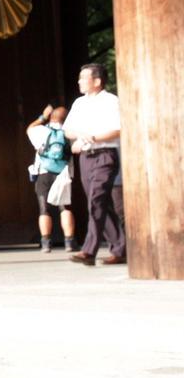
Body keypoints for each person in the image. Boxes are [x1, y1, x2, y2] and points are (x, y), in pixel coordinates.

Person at [63, 63, 125, 266]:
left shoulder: (110, 101)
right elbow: (67, 129)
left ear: (97, 81)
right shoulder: (79, 103)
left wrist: (93, 137)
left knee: (96, 200)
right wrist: (79, 137)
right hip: (85, 157)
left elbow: (117, 129)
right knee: (99, 203)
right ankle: (120, 248)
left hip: (105, 154)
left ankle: (89, 250)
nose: (80, 81)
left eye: (84, 78)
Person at [26, 105, 77, 252]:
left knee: (44, 209)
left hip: (43, 172)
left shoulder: (41, 130)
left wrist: (42, 117)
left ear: (51, 117)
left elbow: (29, 128)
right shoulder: (68, 133)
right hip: (64, 173)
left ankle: (46, 242)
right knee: (65, 207)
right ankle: (69, 241)